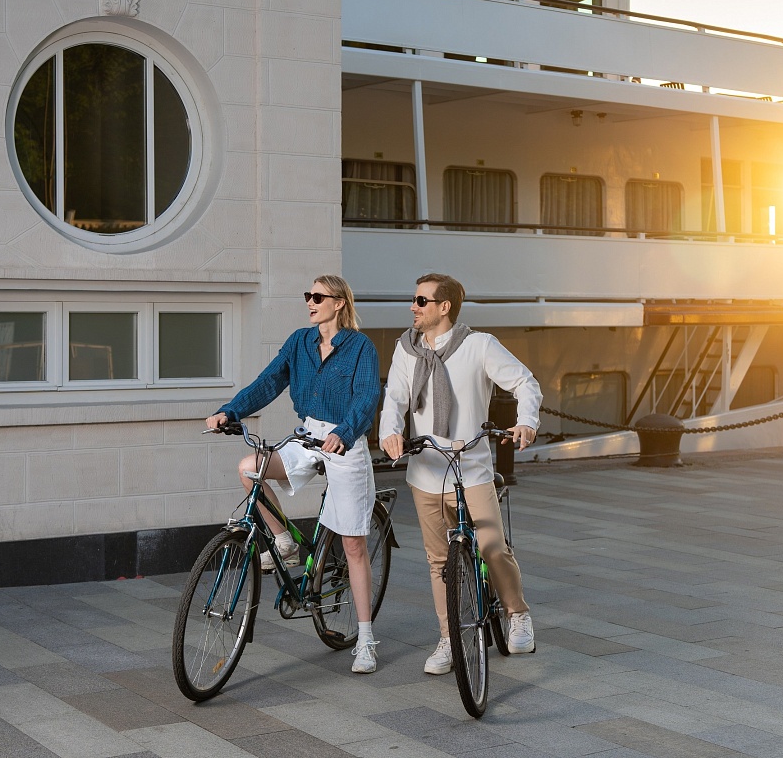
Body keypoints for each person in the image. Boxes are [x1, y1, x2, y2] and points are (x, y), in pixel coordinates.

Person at [206, 274, 382, 673]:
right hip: (307, 436)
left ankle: (366, 640)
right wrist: (230, 411)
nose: (310, 302)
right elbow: (268, 382)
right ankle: (284, 542)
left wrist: (344, 432)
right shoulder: (300, 342)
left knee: (353, 546)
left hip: (345, 441)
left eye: (318, 296)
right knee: (250, 469)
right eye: (308, 295)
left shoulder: (360, 347)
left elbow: (367, 395)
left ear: (339, 302)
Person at [379, 272, 541, 675]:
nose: (413, 307)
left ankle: (517, 613)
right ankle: (449, 638)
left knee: (492, 546)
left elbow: (525, 382)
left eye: (421, 301)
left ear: (444, 306)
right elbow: (395, 398)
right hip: (425, 471)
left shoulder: (478, 345)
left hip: (472, 469)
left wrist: (526, 422)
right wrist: (390, 432)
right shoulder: (406, 350)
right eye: (414, 300)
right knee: (439, 562)